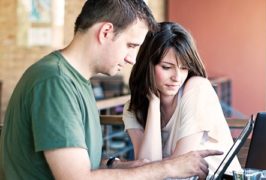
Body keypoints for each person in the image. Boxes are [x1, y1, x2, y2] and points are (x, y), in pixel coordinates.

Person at [0, 1, 223, 179]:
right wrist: (168, 168)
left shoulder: (76, 82)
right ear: (106, 32)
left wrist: (120, 165)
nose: (132, 58)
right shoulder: (55, 82)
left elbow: (80, 163)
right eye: (131, 45)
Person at [122, 22, 241, 178]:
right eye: (166, 67)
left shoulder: (197, 88)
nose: (177, 77)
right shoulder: (133, 108)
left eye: (184, 67)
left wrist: (153, 170)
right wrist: (153, 104)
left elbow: (178, 170)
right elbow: (147, 169)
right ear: (147, 66)